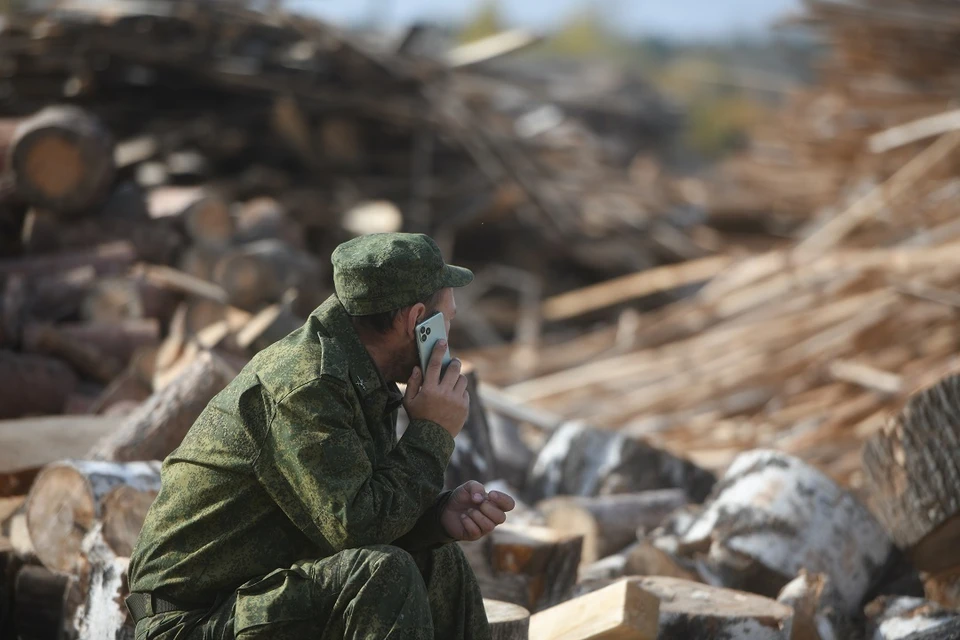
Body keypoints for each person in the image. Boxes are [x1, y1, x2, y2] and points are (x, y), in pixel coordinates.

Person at [125, 233, 515, 639]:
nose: (447, 338)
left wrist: (436, 518)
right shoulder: (306, 387)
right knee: (380, 573)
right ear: (417, 320)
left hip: (252, 598)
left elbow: (357, 512)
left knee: (439, 560)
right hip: (191, 622)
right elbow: (357, 531)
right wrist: (432, 433)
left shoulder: (358, 369)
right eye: (445, 320)